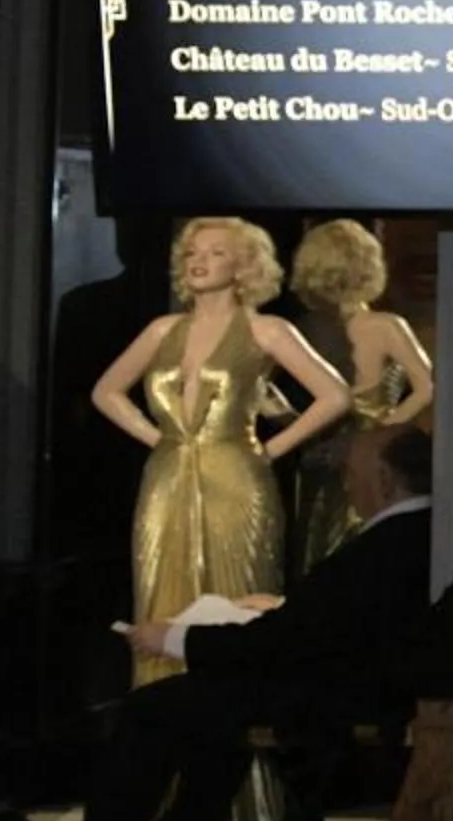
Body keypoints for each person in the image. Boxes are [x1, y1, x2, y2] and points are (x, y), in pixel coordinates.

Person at [62, 426, 441, 821]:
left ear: (386, 480)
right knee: (215, 706)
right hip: (350, 681)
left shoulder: (384, 543)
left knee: (149, 708)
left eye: (351, 475)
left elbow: (284, 643)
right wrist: (283, 607)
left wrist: (175, 639)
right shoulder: (424, 534)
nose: (346, 487)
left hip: (338, 694)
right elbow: (334, 620)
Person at [92, 218, 354, 687]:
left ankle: (239, 740)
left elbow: (335, 395)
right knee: (160, 595)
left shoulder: (266, 330)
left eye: (214, 252)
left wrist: (269, 450)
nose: (198, 261)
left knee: (235, 597)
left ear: (243, 266)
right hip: (166, 479)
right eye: (192, 252)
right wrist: (160, 440)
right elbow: (105, 392)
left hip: (236, 477)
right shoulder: (161, 331)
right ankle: (161, 727)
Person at [283, 219, 436, 578]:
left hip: (356, 459)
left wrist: (376, 433)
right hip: (334, 459)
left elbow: (427, 386)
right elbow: (426, 387)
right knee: (327, 552)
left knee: (348, 552)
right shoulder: (314, 329)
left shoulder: (377, 326)